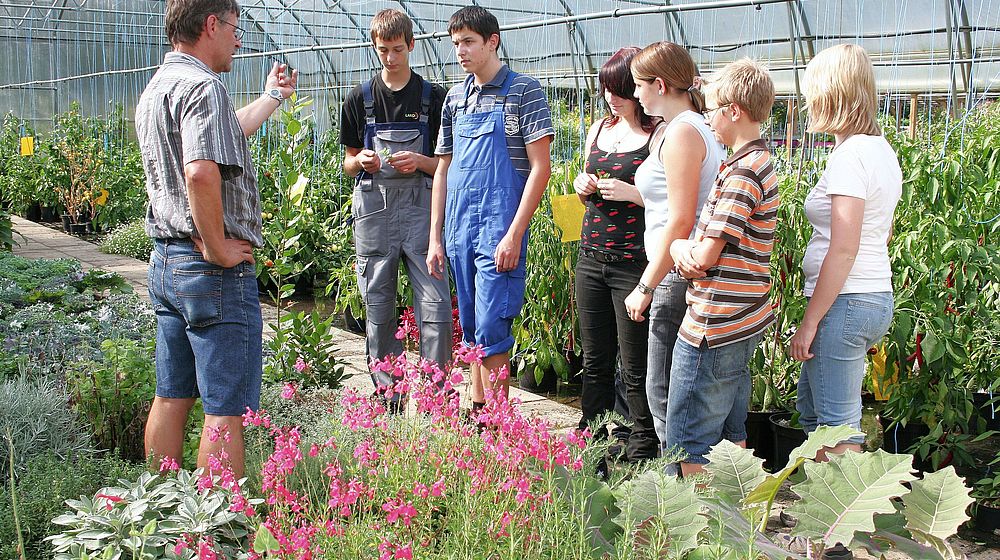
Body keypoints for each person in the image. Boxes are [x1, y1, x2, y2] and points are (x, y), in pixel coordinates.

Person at [137, 0, 297, 477]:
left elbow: (221, 139)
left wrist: (271, 98)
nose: (238, 37)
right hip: (209, 270)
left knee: (172, 394)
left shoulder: (159, 85)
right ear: (211, 24)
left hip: (167, 262)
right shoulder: (204, 87)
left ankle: (162, 512)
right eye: (233, 27)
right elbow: (202, 173)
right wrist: (216, 245)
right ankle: (216, 533)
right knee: (225, 409)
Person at [427, 6, 553, 411]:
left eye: (468, 42)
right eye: (455, 44)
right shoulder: (455, 98)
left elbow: (540, 168)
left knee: (492, 324)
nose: (460, 52)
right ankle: (476, 409)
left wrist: (514, 233)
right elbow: (443, 168)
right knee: (469, 326)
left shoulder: (522, 91)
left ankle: (498, 424)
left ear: (492, 41)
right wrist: (435, 238)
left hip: (499, 227)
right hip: (460, 227)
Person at [667, 59, 778, 476]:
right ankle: (733, 522)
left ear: (734, 111)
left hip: (714, 323)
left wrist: (678, 246)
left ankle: (687, 528)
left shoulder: (743, 173)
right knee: (732, 431)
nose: (708, 117)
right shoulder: (754, 163)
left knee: (687, 438)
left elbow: (704, 257)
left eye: (712, 109)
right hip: (742, 316)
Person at [789, 44, 900, 461]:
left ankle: (840, 524)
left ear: (830, 93)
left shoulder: (851, 155)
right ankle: (828, 515)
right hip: (870, 296)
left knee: (835, 429)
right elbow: (883, 231)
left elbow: (844, 247)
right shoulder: (881, 150)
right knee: (814, 414)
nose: (807, 101)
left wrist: (811, 321)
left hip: (845, 302)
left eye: (812, 91)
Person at [340, 9, 452, 405]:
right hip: (375, 212)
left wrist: (420, 162)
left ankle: (437, 394)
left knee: (435, 305)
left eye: (398, 49)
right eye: (383, 50)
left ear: (412, 46)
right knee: (378, 302)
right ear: (374, 47)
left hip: (422, 209)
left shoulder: (433, 98)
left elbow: (447, 164)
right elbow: (348, 161)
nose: (390, 58)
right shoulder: (359, 99)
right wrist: (362, 162)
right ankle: (389, 395)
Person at [623, 42, 726, 459]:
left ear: (660, 84)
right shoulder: (689, 126)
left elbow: (681, 220)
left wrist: (646, 285)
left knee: (665, 392)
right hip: (679, 270)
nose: (636, 95)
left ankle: (678, 487)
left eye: (638, 85)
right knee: (680, 390)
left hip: (672, 275)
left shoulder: (684, 131)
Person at [572, 47, 659, 462]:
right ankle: (592, 440)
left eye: (621, 88)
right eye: (607, 88)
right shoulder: (598, 129)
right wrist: (580, 183)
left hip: (632, 262)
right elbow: (581, 174)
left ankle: (642, 445)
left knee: (635, 363)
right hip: (591, 257)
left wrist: (633, 195)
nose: (612, 97)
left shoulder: (658, 134)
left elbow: (673, 200)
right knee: (596, 360)